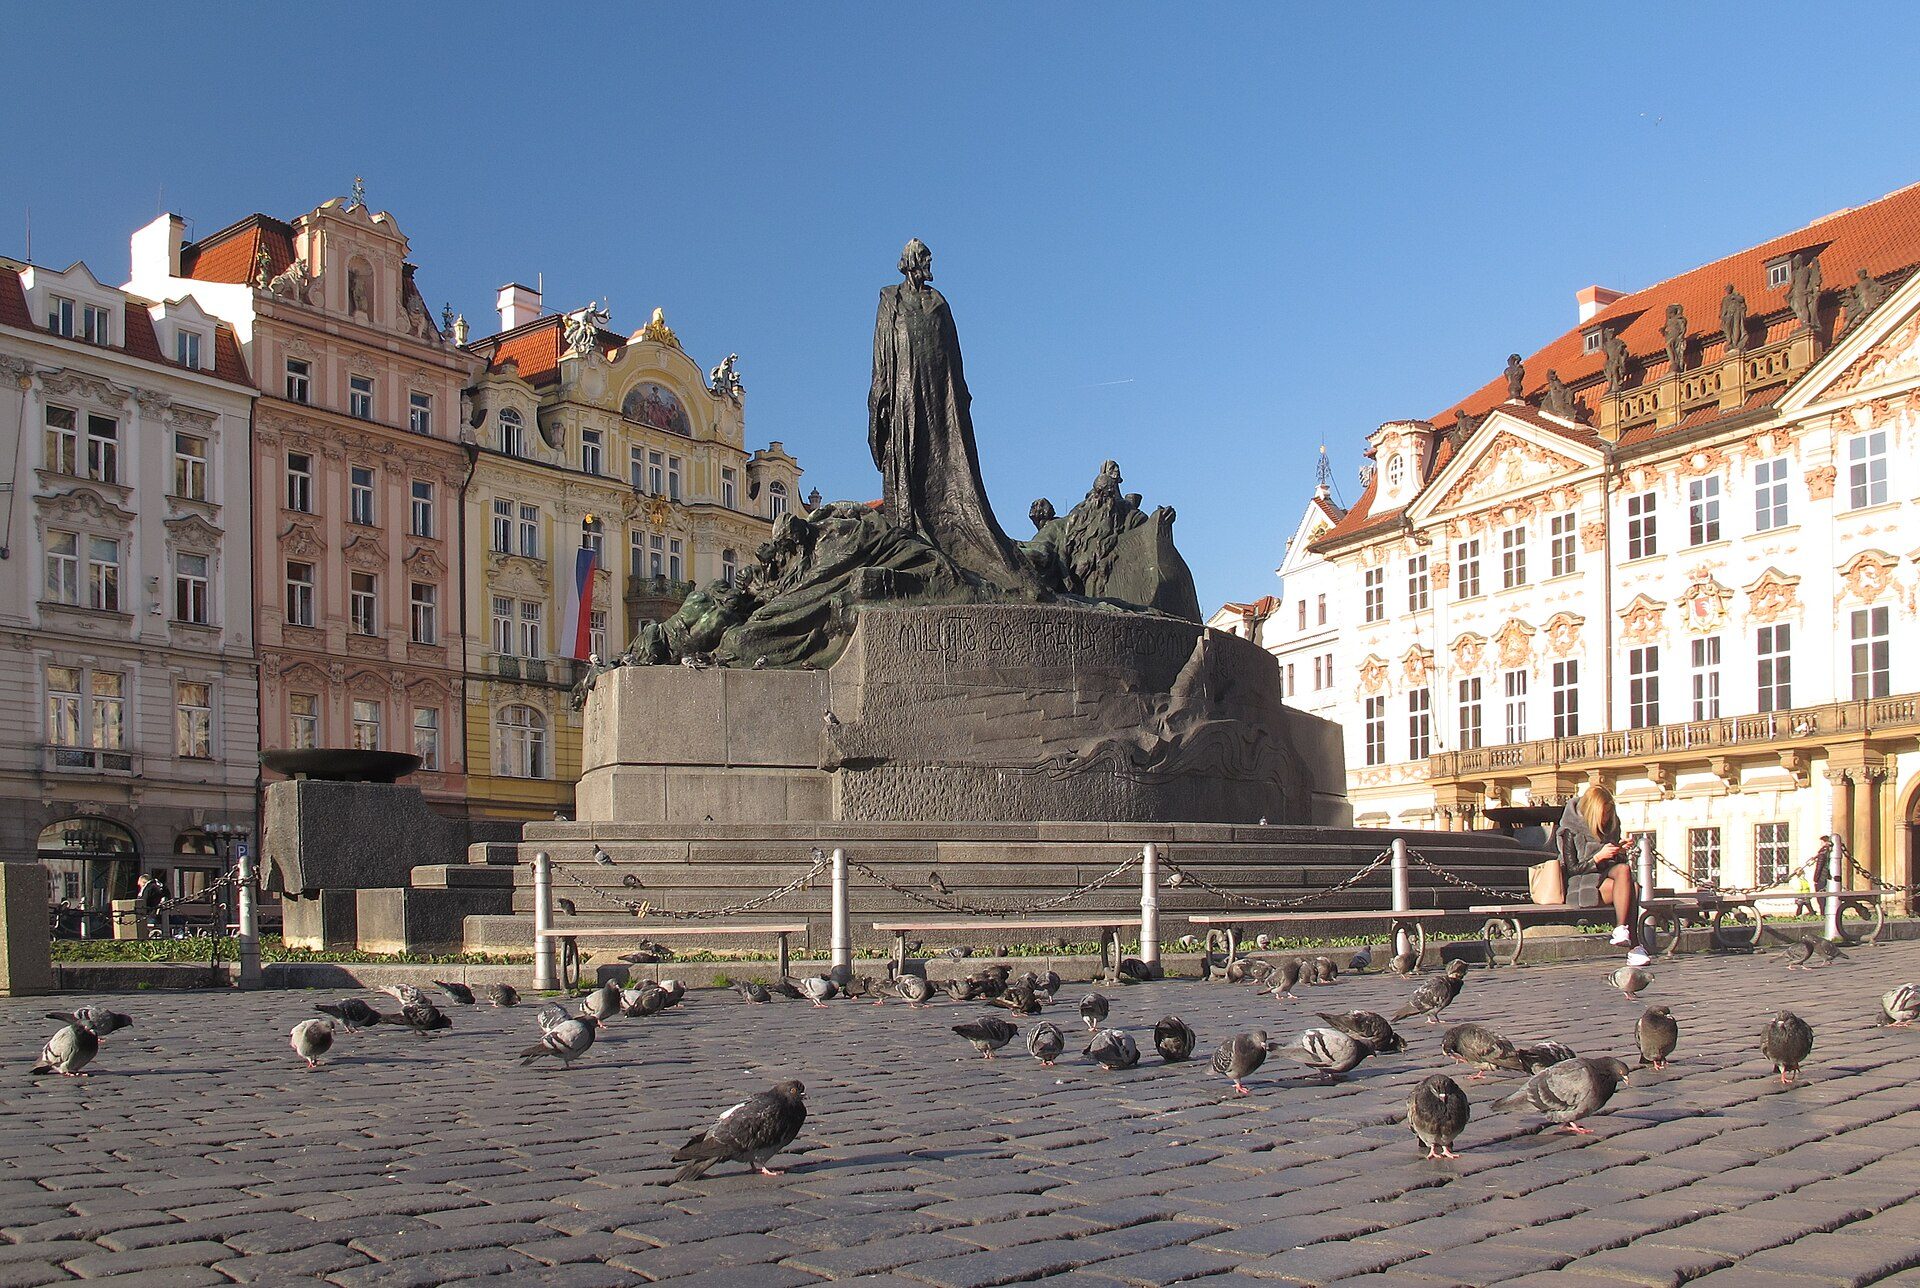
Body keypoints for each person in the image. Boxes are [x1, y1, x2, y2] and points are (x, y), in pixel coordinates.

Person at [1557, 786, 1649, 967]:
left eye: (1608, 812)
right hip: (1581, 885)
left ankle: (1622, 930)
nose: (1606, 817)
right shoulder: (1571, 829)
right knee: (1633, 887)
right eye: (1603, 813)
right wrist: (1597, 858)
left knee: (1625, 872)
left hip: (1606, 879)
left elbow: (1616, 866)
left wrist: (1618, 851)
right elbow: (1571, 869)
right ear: (1593, 811)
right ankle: (1635, 946)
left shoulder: (1610, 827)